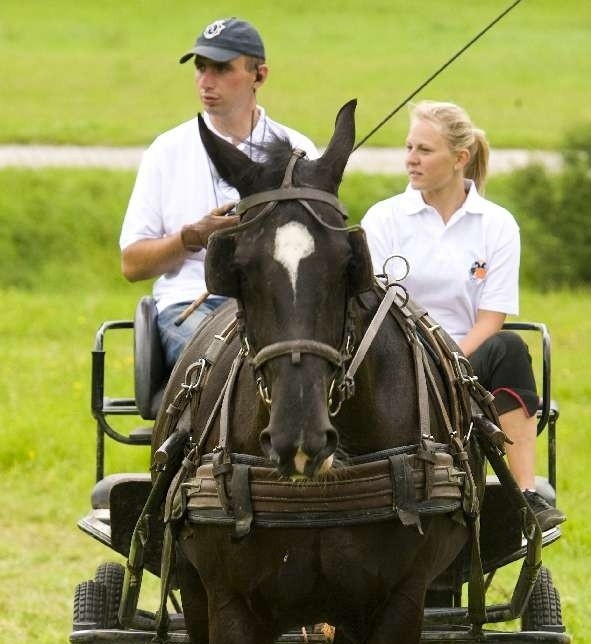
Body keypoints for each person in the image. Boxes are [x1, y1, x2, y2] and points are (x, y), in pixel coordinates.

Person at [361, 100, 565, 532]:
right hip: (393, 355)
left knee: (509, 346)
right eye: (409, 147)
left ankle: (524, 494)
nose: (411, 159)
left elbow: (491, 318)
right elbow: (371, 309)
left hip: (463, 360)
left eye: (425, 150)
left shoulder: (496, 224)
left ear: (459, 158)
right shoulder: (383, 219)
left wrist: (446, 359)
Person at [120, 17, 317, 371]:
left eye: (222, 69)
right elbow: (132, 264)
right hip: (190, 307)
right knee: (227, 371)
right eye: (200, 68)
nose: (206, 82)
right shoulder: (166, 151)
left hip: (280, 305)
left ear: (260, 75)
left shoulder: (298, 149)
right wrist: (193, 237)